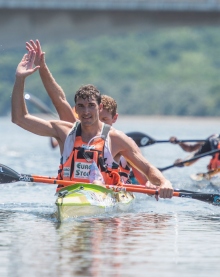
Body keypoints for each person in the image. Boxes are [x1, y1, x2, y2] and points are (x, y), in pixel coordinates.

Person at [11, 49, 173, 199]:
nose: (86, 112)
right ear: (76, 109)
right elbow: (20, 118)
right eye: (81, 106)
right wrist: (20, 78)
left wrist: (165, 183)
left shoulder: (116, 139)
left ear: (99, 107)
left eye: (91, 106)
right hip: (69, 199)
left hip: (105, 203)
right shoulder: (65, 131)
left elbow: (147, 169)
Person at [25, 39, 151, 185]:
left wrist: (151, 184)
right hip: (74, 193)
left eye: (105, 120)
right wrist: (41, 66)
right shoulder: (76, 130)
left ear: (113, 119)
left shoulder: (118, 141)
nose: (98, 122)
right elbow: (59, 100)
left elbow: (144, 176)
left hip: (109, 192)